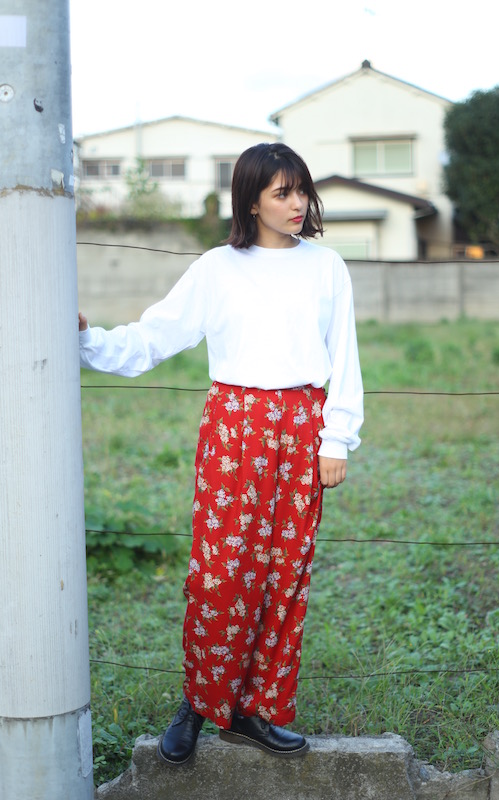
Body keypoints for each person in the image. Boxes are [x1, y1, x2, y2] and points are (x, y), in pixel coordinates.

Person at [79, 142, 364, 764]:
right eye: (281, 193)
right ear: (252, 202)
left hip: (303, 424)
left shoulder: (326, 267)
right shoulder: (217, 267)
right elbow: (157, 335)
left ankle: (255, 710)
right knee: (221, 570)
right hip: (235, 427)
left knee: (285, 573)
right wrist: (88, 342)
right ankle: (199, 701)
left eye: (301, 190)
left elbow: (344, 354)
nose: (297, 203)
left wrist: (337, 437)